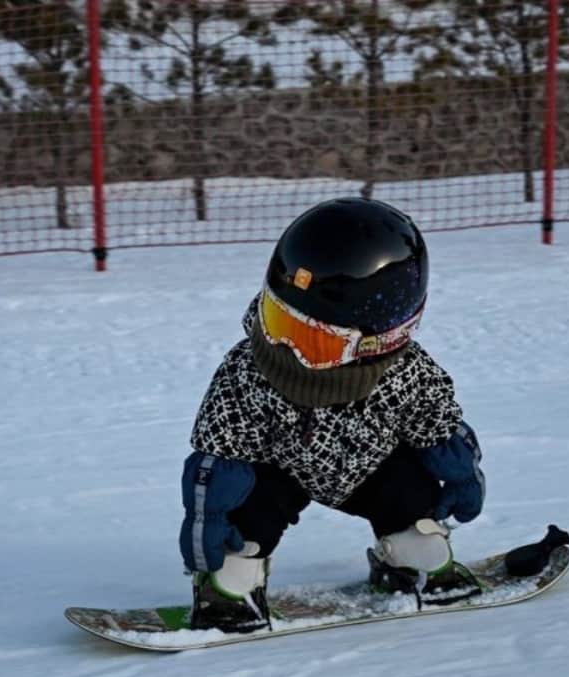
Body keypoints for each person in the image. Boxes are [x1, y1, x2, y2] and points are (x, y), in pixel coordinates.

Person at [179, 197, 486, 633]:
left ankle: (409, 559)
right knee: (245, 519)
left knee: (414, 512)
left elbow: (437, 427)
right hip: (280, 472)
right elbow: (221, 453)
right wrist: (207, 517)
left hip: (373, 470)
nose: (284, 349)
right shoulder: (248, 372)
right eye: (278, 322)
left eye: (311, 341)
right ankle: (230, 587)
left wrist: (461, 474)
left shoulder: (405, 375)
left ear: (377, 343)